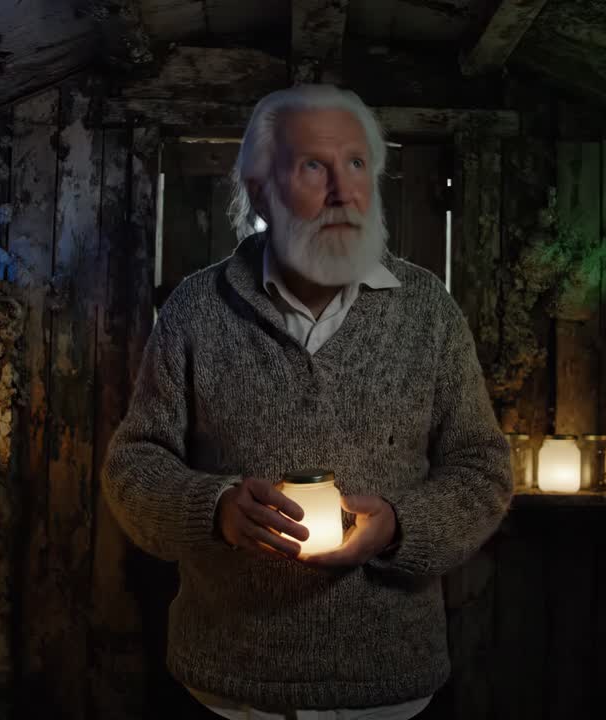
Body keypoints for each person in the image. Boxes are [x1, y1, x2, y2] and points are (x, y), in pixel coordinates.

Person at [103, 84, 512, 720]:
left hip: (394, 690)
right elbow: (135, 466)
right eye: (314, 166)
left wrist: (399, 527)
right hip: (227, 691)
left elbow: (482, 469)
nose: (343, 191)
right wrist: (215, 509)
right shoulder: (197, 309)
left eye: (356, 164)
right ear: (261, 187)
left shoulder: (427, 308)